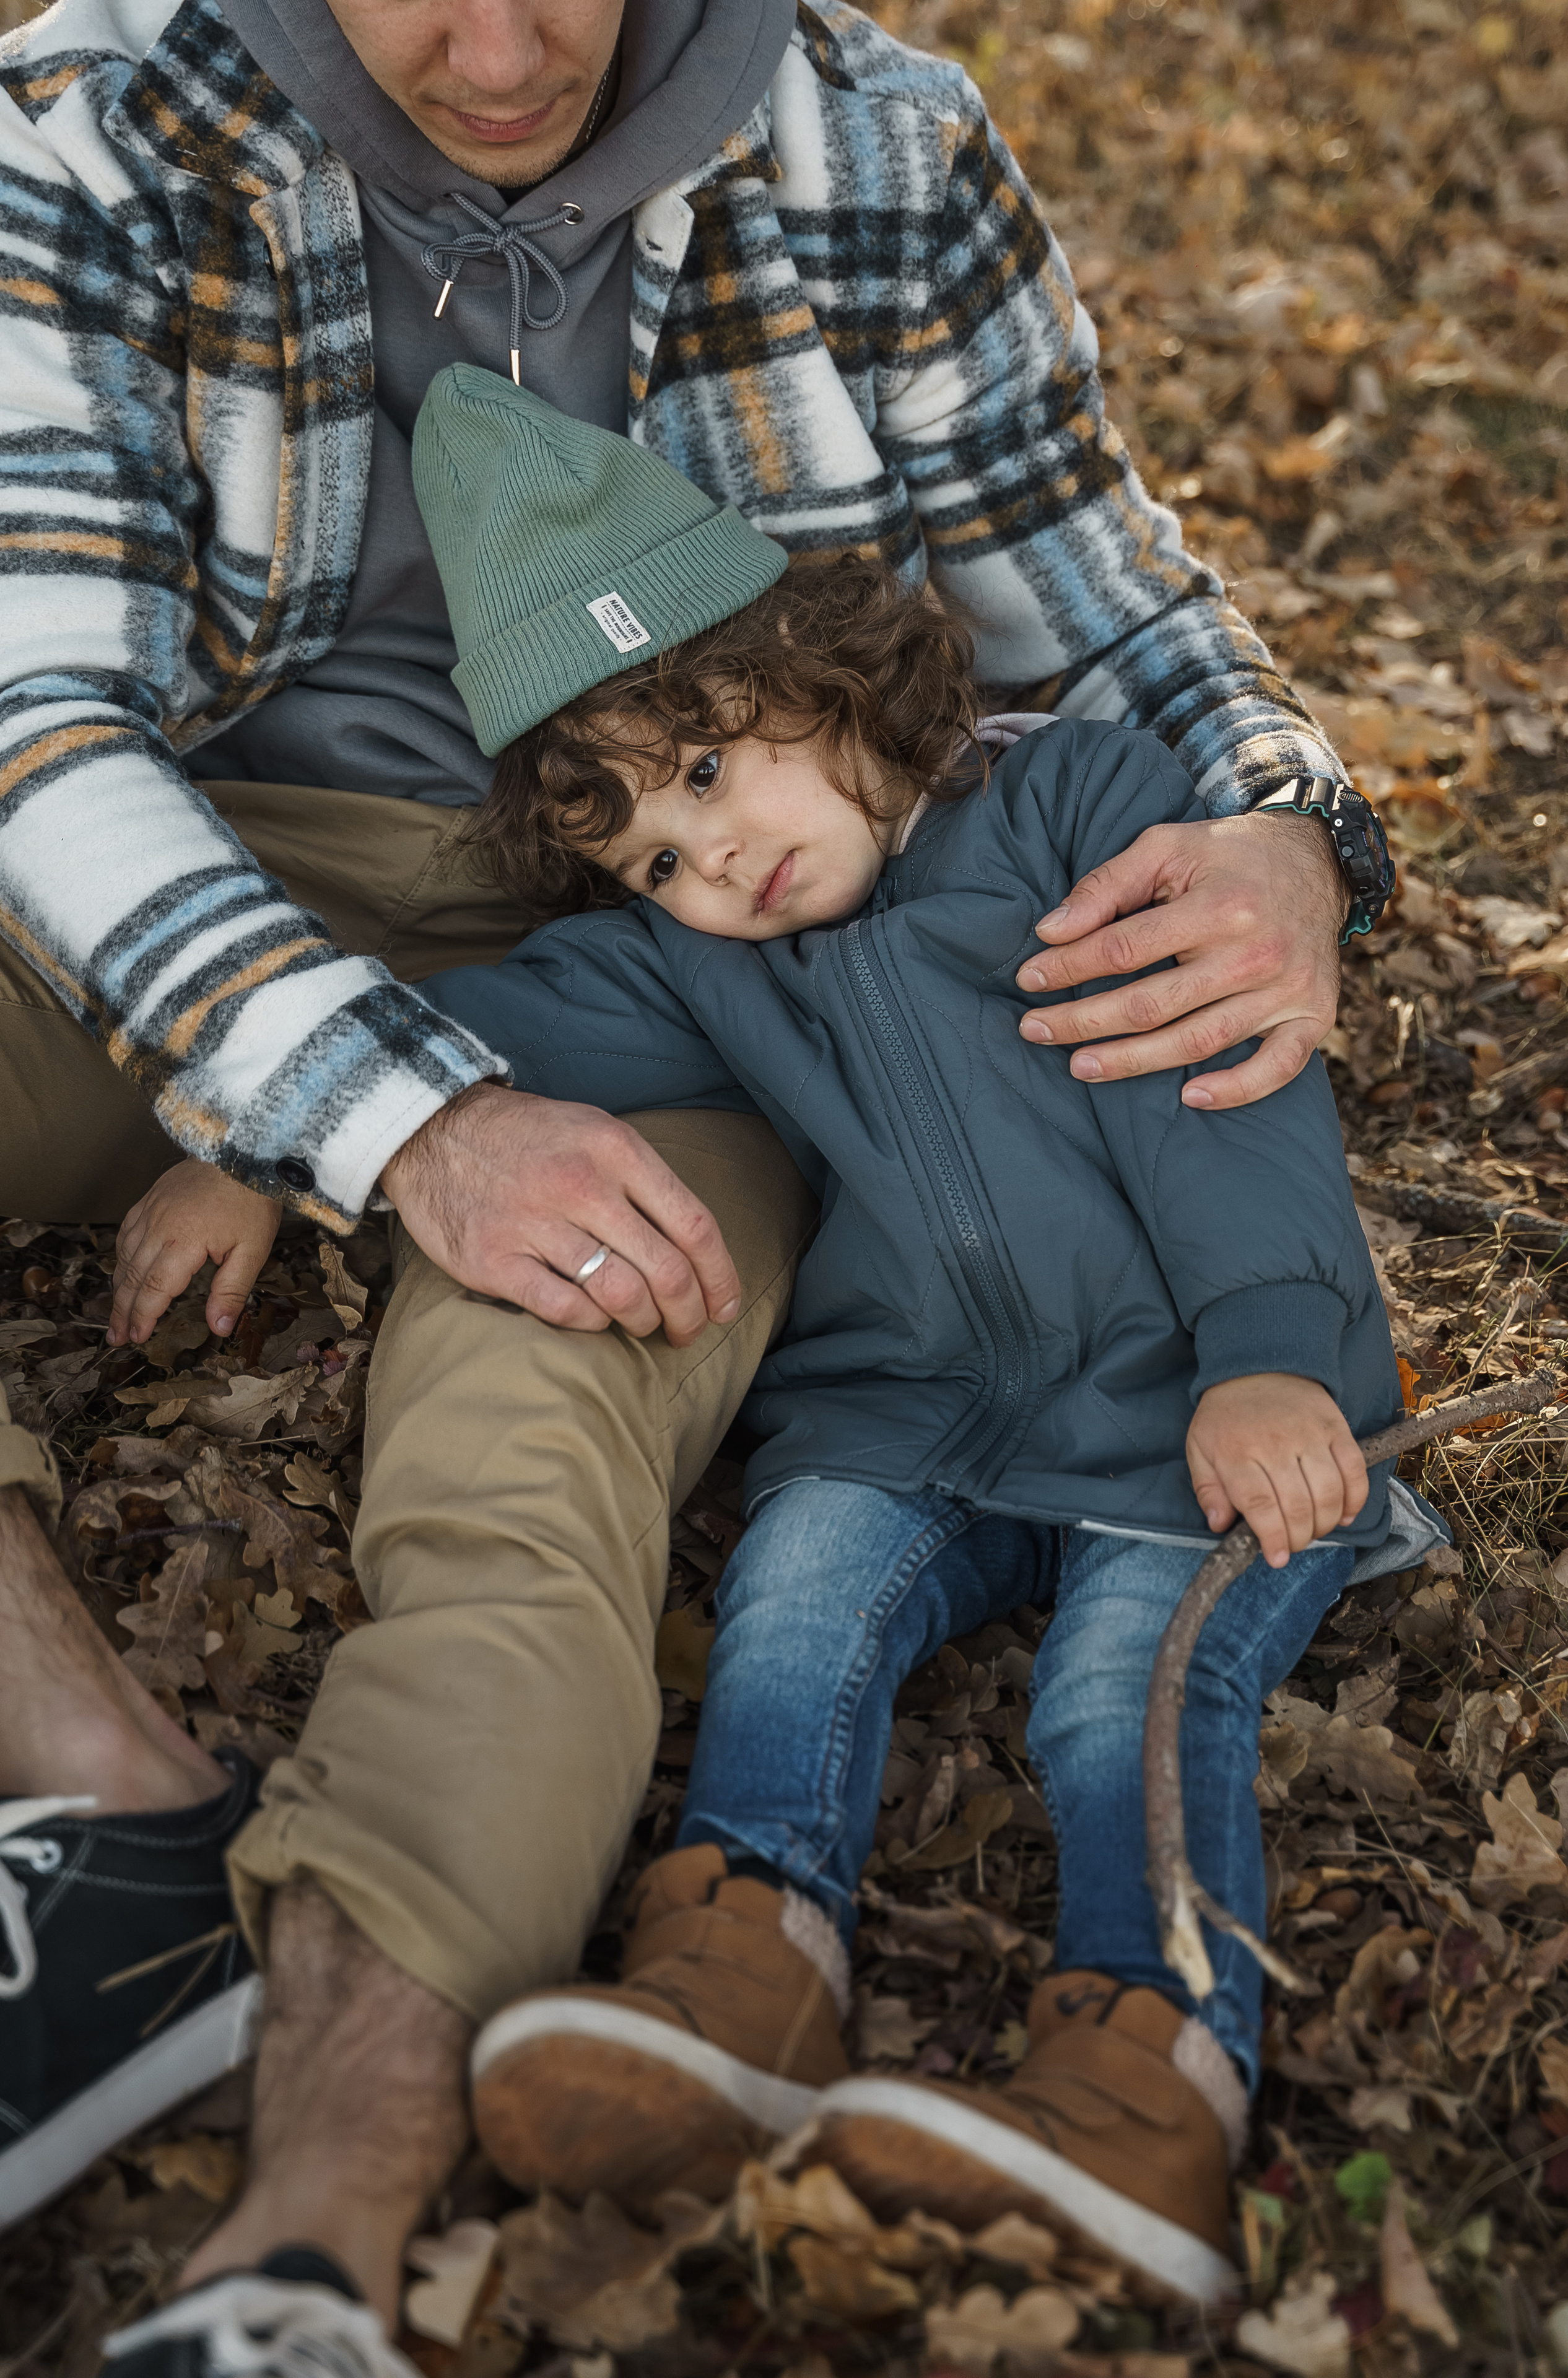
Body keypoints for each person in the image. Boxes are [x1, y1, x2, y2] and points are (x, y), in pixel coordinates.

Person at [0, 0, 1393, 2351]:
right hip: (189, 879)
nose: (506, 44)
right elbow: (40, 714)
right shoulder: (90, 129)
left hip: (677, 1011)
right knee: (781, 1583)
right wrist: (335, 1112)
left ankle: (325, 2225)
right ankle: (127, 1793)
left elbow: (1132, 634)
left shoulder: (881, 151)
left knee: (574, 1429)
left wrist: (1292, 831)